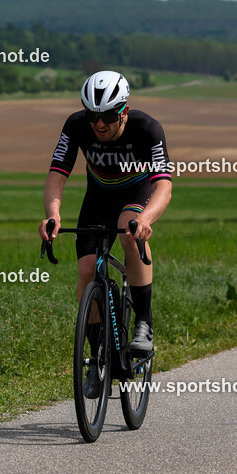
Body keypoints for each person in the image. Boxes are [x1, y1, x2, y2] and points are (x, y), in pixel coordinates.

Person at [39, 71, 172, 395]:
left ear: (124, 111)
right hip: (97, 198)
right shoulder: (75, 126)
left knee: (129, 232)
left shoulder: (147, 128)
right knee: (86, 272)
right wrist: (53, 217)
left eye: (109, 116)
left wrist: (147, 220)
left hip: (135, 193)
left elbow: (164, 185)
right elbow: (57, 176)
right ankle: (98, 360)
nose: (99, 124)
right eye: (93, 115)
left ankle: (143, 323)